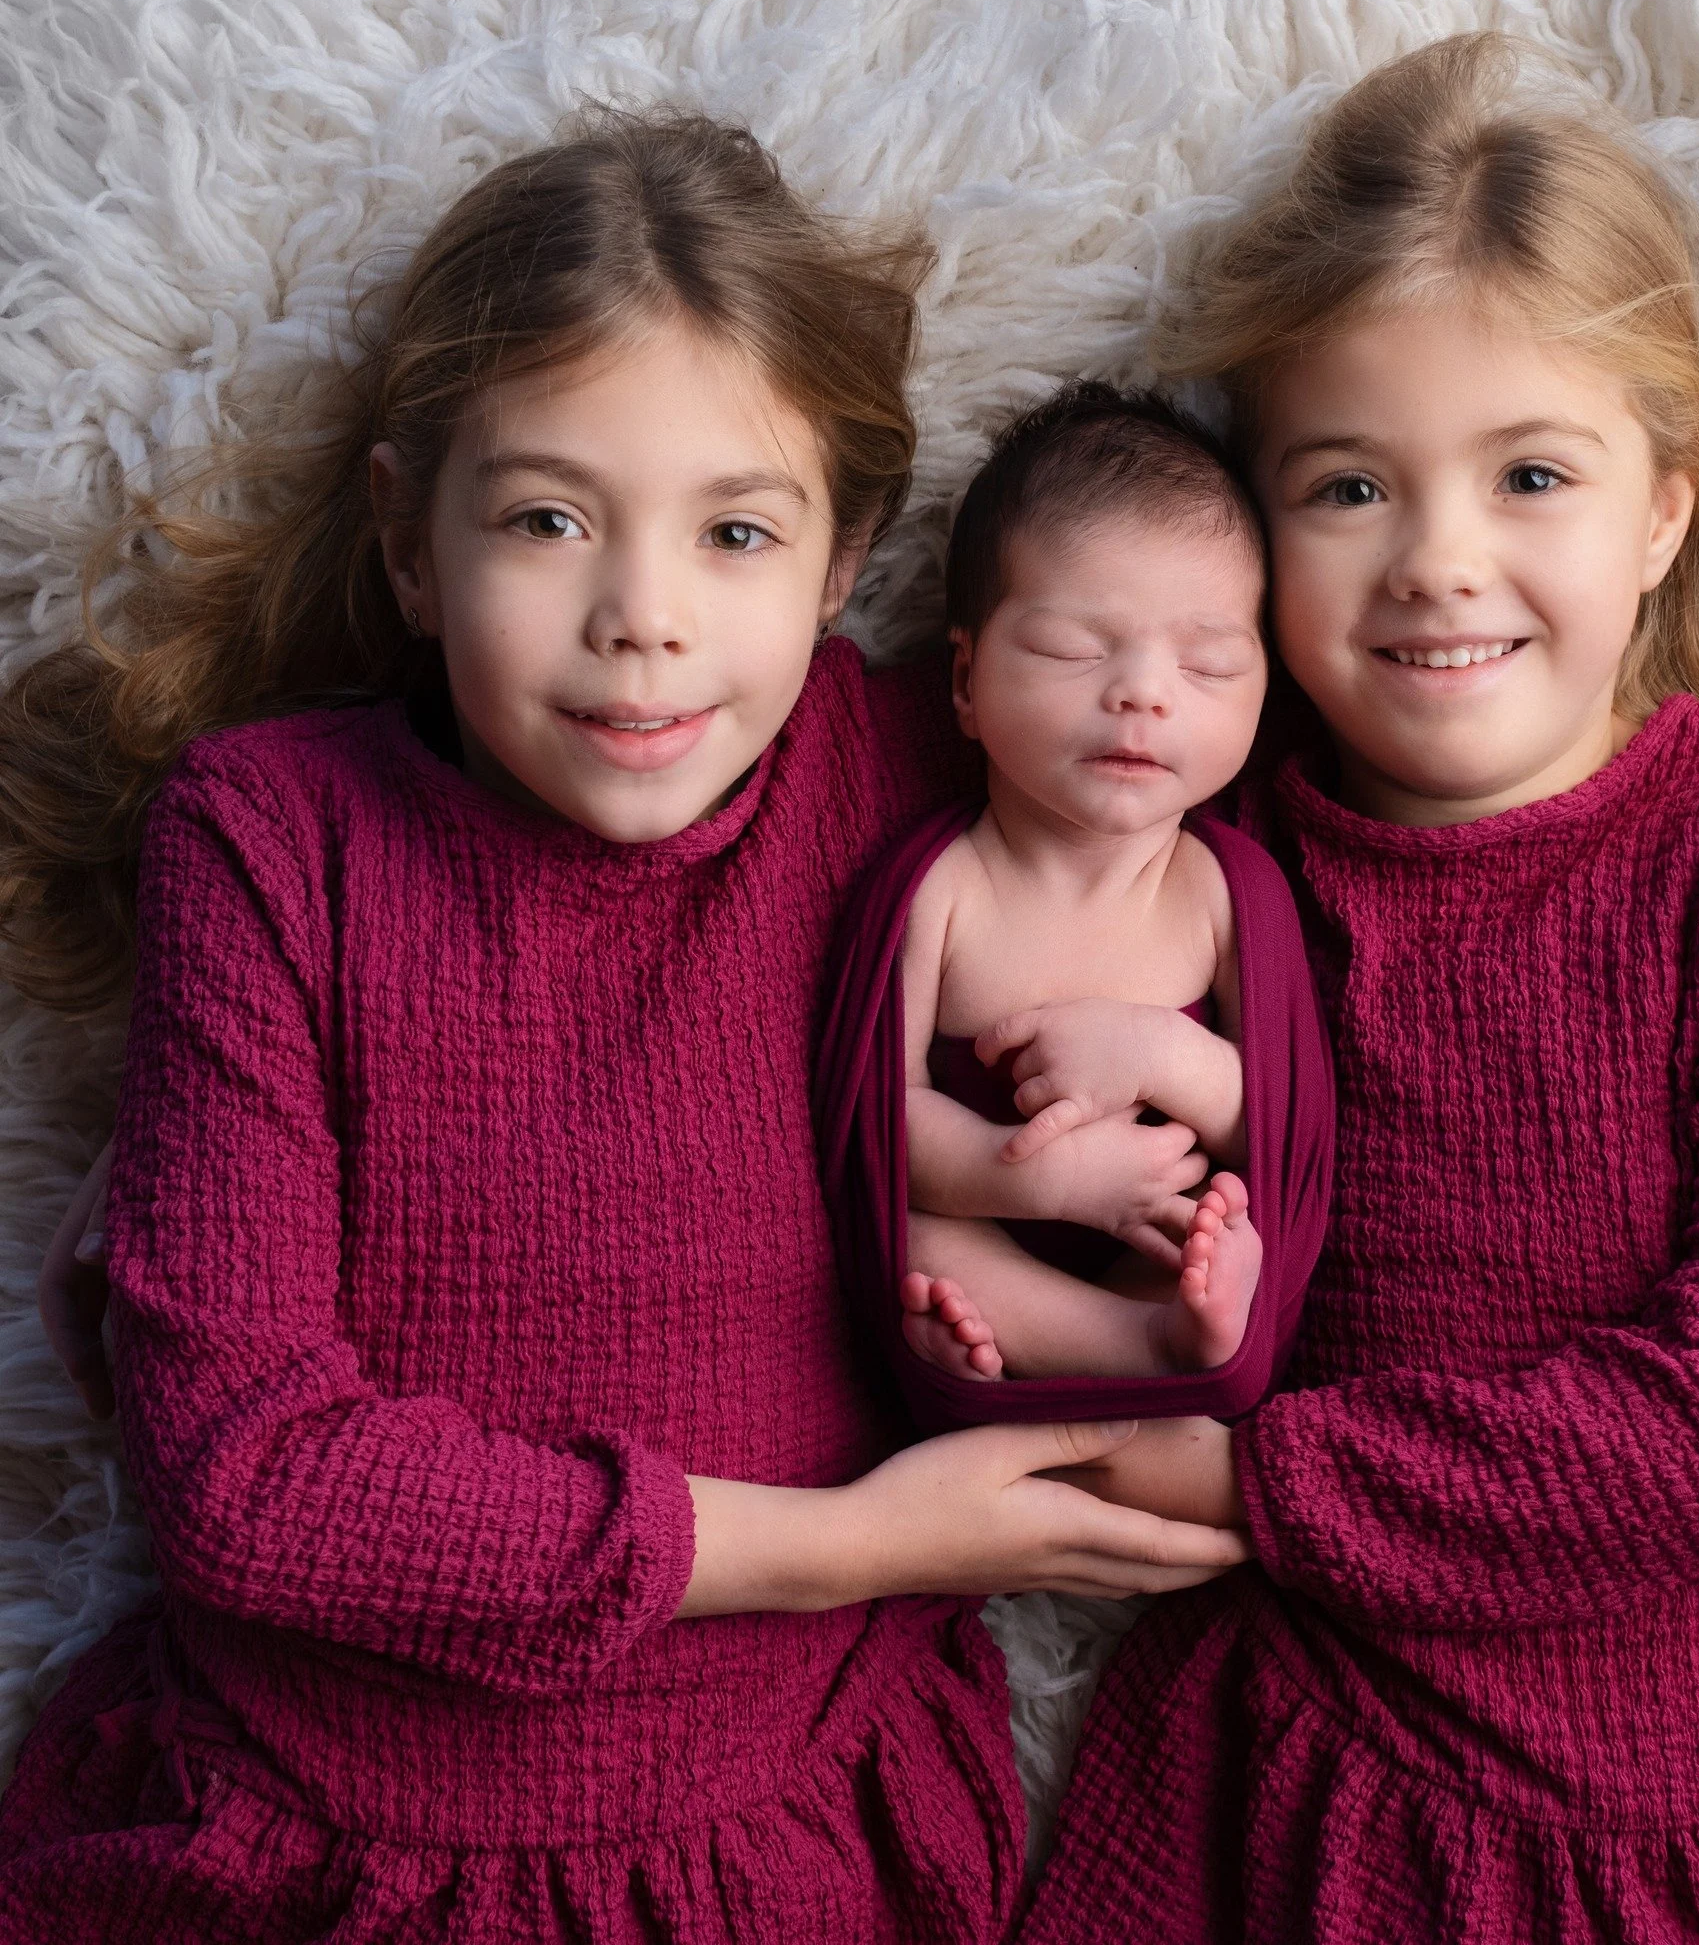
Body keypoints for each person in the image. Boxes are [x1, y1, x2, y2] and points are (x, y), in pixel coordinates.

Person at [0, 107, 1247, 1945]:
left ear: (842, 562)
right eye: (545, 520)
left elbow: (1253, 784)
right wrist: (854, 1544)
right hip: (319, 1831)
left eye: (736, 532)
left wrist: (1185, 1105)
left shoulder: (906, 765)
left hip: (789, 1829)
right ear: (409, 542)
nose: (643, 619)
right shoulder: (270, 838)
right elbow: (249, 1484)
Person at [1020, 33, 1699, 1941]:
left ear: (1659, 510)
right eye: (1347, 485)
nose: (1439, 560)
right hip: (1358, 1765)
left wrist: (1259, 1486)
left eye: (1530, 475)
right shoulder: (1202, 853)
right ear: (1250, 535)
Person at [816, 385, 1335, 1431]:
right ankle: (1135, 1346)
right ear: (965, 681)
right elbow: (876, 1118)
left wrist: (1165, 1060)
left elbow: (1291, 1129)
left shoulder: (1222, 892)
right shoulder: (943, 889)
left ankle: (1175, 1325)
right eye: (1072, 648)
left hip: (1162, 1239)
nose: (1143, 691)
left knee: (1231, 1226)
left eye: (1207, 663)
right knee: (919, 1242)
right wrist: (1034, 1180)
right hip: (990, 1222)